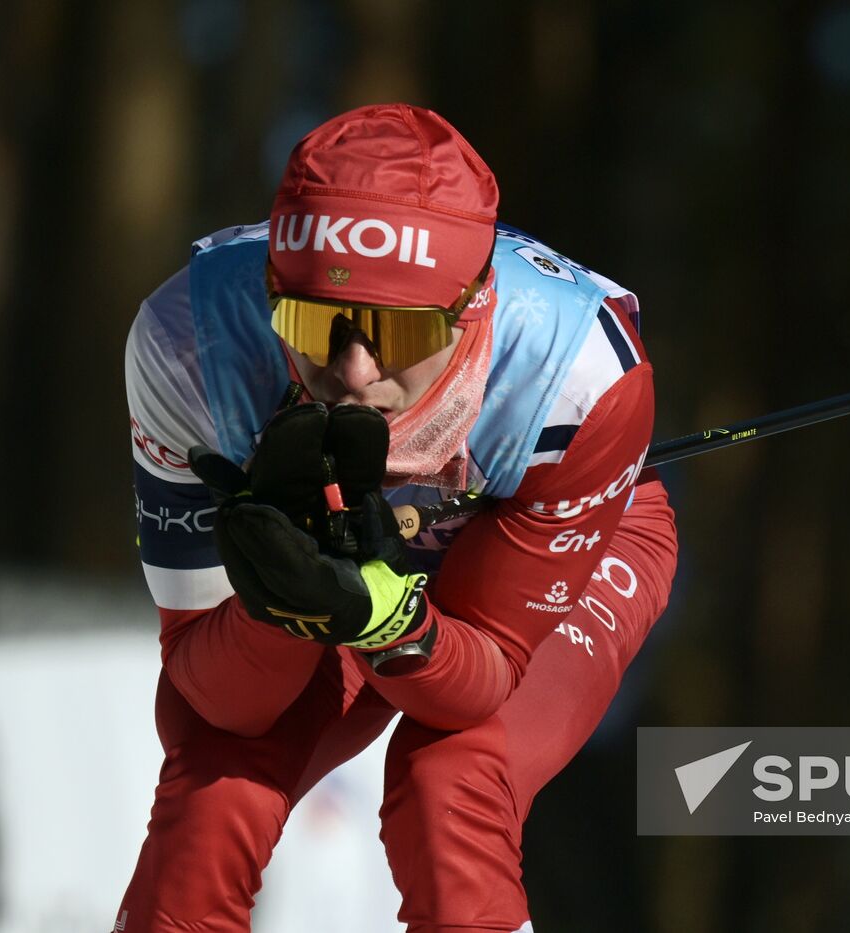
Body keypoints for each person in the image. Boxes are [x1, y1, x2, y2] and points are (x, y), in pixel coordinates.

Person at [117, 103, 678, 933]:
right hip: (373, 563)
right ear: (273, 292)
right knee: (215, 782)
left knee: (452, 782)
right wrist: (287, 600)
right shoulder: (189, 343)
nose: (351, 372)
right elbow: (212, 699)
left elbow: (476, 681)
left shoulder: (581, 376)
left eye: (399, 332)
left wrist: (384, 618)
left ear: (471, 307)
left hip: (557, 547)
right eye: (313, 323)